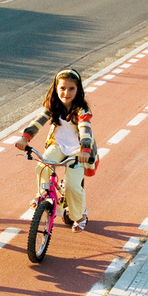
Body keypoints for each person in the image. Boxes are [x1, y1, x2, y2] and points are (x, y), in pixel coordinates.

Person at [15, 69, 98, 233]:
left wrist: (85, 150)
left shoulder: (82, 110)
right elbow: (38, 121)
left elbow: (85, 131)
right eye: (62, 88)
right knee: (42, 166)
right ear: (55, 88)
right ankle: (41, 195)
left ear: (78, 90)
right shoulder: (53, 105)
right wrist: (25, 138)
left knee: (72, 186)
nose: (66, 93)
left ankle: (79, 216)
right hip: (58, 145)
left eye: (71, 89)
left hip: (79, 150)